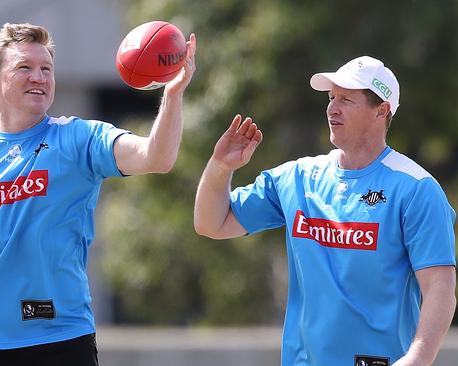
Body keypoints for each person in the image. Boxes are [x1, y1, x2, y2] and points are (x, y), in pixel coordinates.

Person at [0, 22, 196, 365]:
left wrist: (172, 95)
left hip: (63, 341)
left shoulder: (79, 138)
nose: (38, 77)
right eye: (24, 67)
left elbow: (157, 157)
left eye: (46, 69)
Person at [194, 56, 456, 366]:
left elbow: (440, 289)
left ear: (382, 110)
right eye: (331, 97)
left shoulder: (416, 188)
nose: (332, 108)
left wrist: (416, 360)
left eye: (346, 99)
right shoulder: (297, 177)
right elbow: (212, 223)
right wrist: (220, 168)